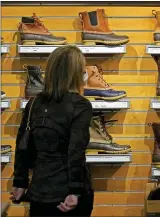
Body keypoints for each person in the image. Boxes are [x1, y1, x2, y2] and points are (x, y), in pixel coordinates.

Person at [11, 45, 94, 216]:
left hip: (39, 189)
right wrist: (74, 190)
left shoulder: (34, 103)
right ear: (76, 72)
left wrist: (20, 182)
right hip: (66, 193)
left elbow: (23, 146)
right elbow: (76, 150)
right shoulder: (80, 105)